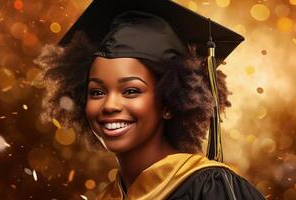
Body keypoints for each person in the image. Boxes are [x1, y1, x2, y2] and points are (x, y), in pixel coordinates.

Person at [35, 0, 265, 199]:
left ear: (169, 102)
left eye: (131, 91)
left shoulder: (208, 188)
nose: (109, 105)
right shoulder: (109, 196)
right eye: (97, 92)